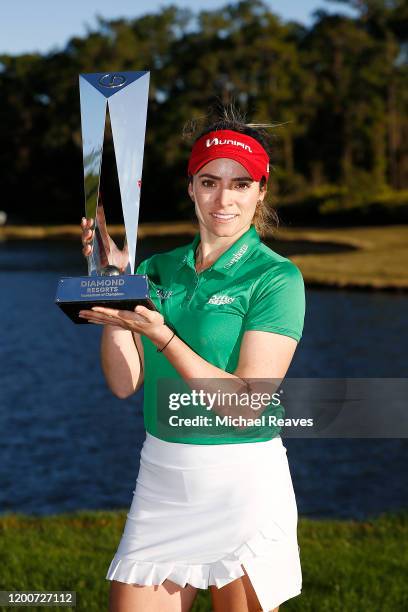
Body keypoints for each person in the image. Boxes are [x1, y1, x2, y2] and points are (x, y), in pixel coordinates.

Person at [79, 108, 306, 612]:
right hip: (162, 476)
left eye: (240, 184)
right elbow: (123, 384)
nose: (223, 199)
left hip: (242, 483)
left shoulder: (276, 278)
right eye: (209, 181)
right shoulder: (156, 268)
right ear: (191, 187)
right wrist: (117, 297)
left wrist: (162, 335)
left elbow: (247, 404)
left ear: (261, 191)